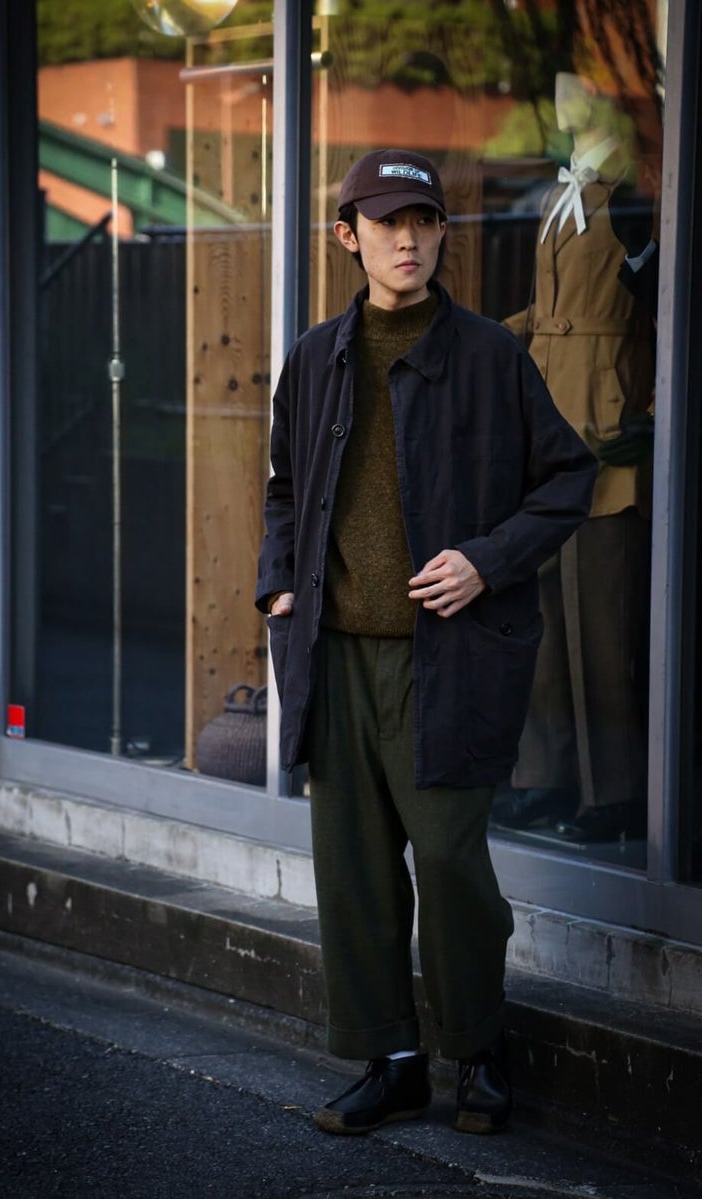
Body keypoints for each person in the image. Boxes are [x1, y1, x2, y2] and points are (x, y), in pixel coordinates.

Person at [255, 148, 597, 1136]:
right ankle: (392, 1060)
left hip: (446, 658)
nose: (406, 240)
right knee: (353, 871)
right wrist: (279, 583)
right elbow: (283, 487)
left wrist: (486, 560)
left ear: (443, 233)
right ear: (346, 235)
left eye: (423, 222)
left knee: (449, 862)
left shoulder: (490, 356)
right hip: (334, 655)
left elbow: (566, 480)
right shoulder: (314, 357)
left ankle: (476, 1050)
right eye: (386, 222)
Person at [494, 74, 658, 843]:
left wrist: (651, 412)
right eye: (556, 86)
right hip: (549, 421)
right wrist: (485, 337)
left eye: (576, 84)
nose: (562, 98)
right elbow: (548, 310)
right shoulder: (562, 191)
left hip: (605, 416)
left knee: (601, 617)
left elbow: (664, 306)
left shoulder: (635, 191)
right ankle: (545, 775)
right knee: (545, 613)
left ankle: (614, 791)